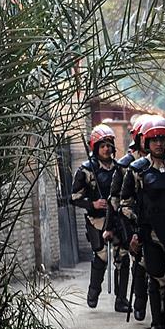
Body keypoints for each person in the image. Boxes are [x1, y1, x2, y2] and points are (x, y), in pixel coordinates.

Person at [121, 116, 165, 329]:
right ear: (146, 143)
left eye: (162, 139)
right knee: (157, 278)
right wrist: (135, 229)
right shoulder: (137, 170)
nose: (159, 144)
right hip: (150, 233)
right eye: (154, 140)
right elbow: (125, 203)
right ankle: (159, 324)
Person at [71, 124, 126, 310]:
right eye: (102, 146)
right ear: (95, 148)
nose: (106, 149)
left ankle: (121, 299)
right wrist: (92, 204)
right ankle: (93, 292)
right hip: (96, 220)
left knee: (122, 256)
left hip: (116, 219)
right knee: (101, 256)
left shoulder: (119, 169)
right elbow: (74, 198)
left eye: (109, 145)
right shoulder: (86, 170)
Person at [110, 114, 152, 321]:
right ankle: (138, 303)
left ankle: (162, 314)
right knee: (136, 262)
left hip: (154, 221)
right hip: (128, 222)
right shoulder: (125, 165)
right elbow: (114, 198)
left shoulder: (163, 164)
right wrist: (113, 226)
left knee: (157, 266)